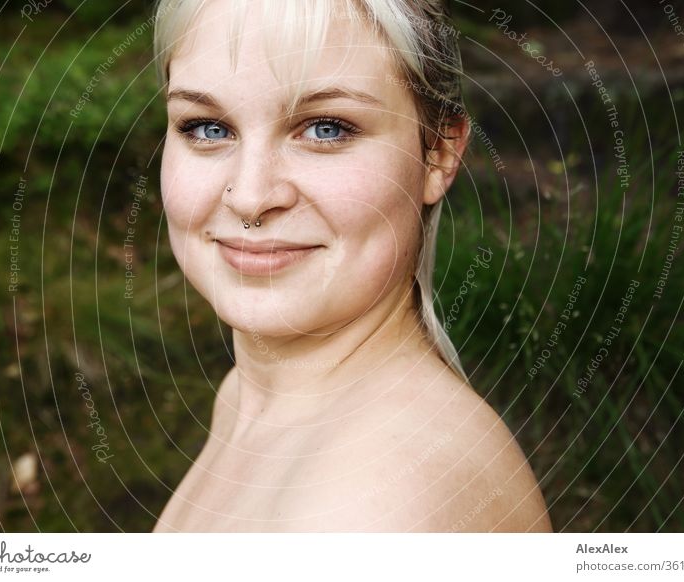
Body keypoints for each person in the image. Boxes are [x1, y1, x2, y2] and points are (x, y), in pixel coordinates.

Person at [151, 0, 551, 532]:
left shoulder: (376, 504)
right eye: (207, 128)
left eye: (326, 128)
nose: (250, 197)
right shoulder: (251, 398)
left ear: (438, 153)